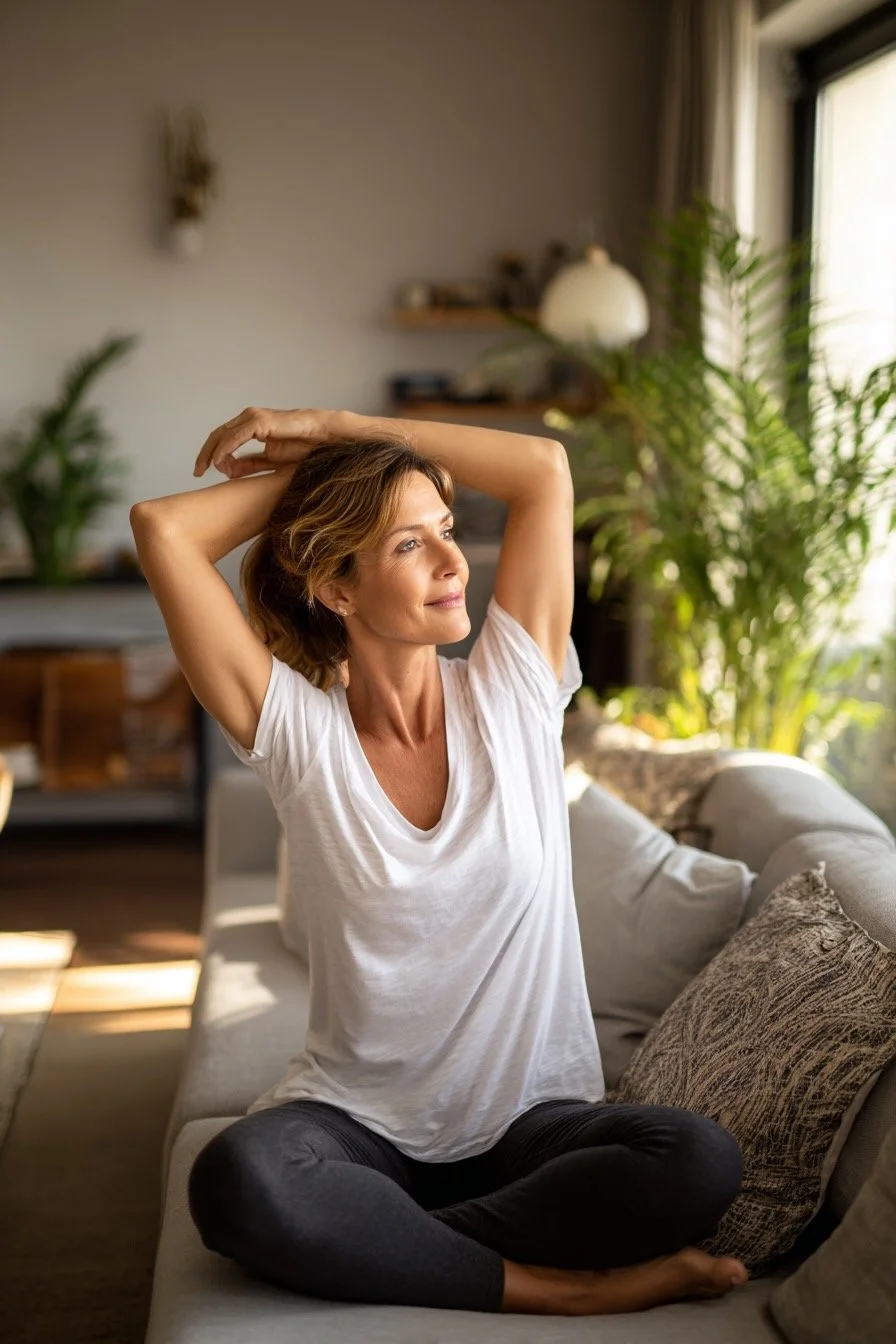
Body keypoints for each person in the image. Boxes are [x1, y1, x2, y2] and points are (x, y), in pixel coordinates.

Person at [130, 407, 748, 1317]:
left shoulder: (517, 687)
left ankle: (381, 1240)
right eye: (407, 546)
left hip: (533, 1127)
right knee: (238, 1180)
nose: (454, 562)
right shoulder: (298, 734)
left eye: (447, 532)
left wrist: (348, 435)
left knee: (699, 1161)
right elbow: (164, 530)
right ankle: (556, 1289)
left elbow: (542, 469)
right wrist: (336, 481)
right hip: (357, 1127)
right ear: (336, 589)